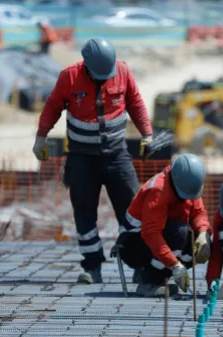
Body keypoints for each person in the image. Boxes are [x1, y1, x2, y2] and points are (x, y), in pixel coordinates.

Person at [32, 37, 154, 284]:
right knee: (84, 213)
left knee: (133, 211)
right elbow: (53, 106)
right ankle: (93, 266)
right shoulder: (69, 77)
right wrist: (40, 139)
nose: (102, 78)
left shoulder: (122, 71)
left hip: (116, 155)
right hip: (81, 158)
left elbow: (136, 103)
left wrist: (147, 134)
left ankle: (140, 265)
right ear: (86, 65)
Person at [114, 154, 212, 297]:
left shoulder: (188, 184)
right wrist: (175, 265)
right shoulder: (158, 191)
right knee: (179, 232)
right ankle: (150, 281)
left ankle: (154, 274)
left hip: (161, 237)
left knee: (199, 244)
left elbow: (198, 213)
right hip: (133, 245)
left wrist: (204, 234)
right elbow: (151, 234)